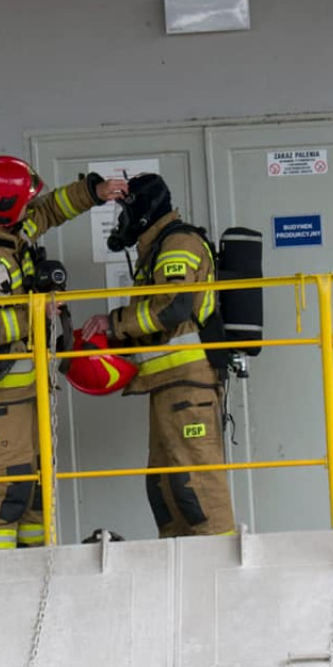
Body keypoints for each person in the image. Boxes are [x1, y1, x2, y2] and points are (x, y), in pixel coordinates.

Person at [0, 155, 126, 549]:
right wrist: (36, 315)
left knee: (36, 494)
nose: (30, 207)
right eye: (23, 201)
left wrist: (94, 192)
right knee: (7, 493)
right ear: (3, 207)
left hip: (28, 393)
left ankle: (36, 567)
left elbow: (51, 209)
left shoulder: (12, 236)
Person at [81, 173, 235, 538]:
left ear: (143, 211)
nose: (122, 222)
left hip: (189, 384)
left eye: (124, 213)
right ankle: (177, 560)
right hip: (167, 385)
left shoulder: (178, 242)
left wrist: (114, 323)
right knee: (166, 487)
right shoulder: (157, 247)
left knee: (196, 483)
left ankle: (220, 561)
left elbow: (172, 308)